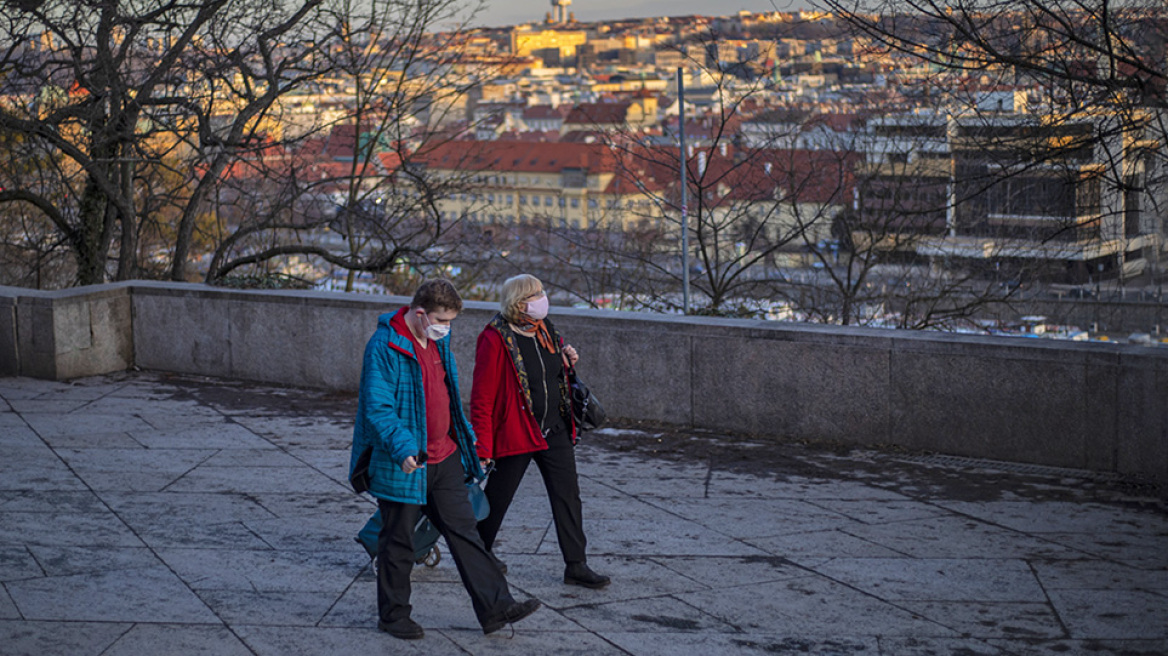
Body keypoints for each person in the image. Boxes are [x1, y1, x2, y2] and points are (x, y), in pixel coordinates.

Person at [349, 279, 541, 640]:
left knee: (465, 533)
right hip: (405, 461)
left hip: (445, 457)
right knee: (398, 540)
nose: (446, 328)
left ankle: (497, 608)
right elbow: (378, 407)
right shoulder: (384, 345)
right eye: (442, 320)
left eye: (451, 321)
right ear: (420, 314)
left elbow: (448, 400)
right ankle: (393, 617)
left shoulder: (440, 342)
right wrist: (403, 447)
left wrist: (471, 445)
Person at [470, 274, 611, 589]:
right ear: (520, 302)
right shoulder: (494, 338)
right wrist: (483, 447)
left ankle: (576, 565)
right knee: (498, 496)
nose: (542, 298)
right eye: (536, 294)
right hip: (518, 430)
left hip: (555, 428)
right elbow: (481, 398)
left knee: (568, 497)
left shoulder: (546, 328)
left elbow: (551, 375)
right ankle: (478, 552)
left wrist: (566, 361)